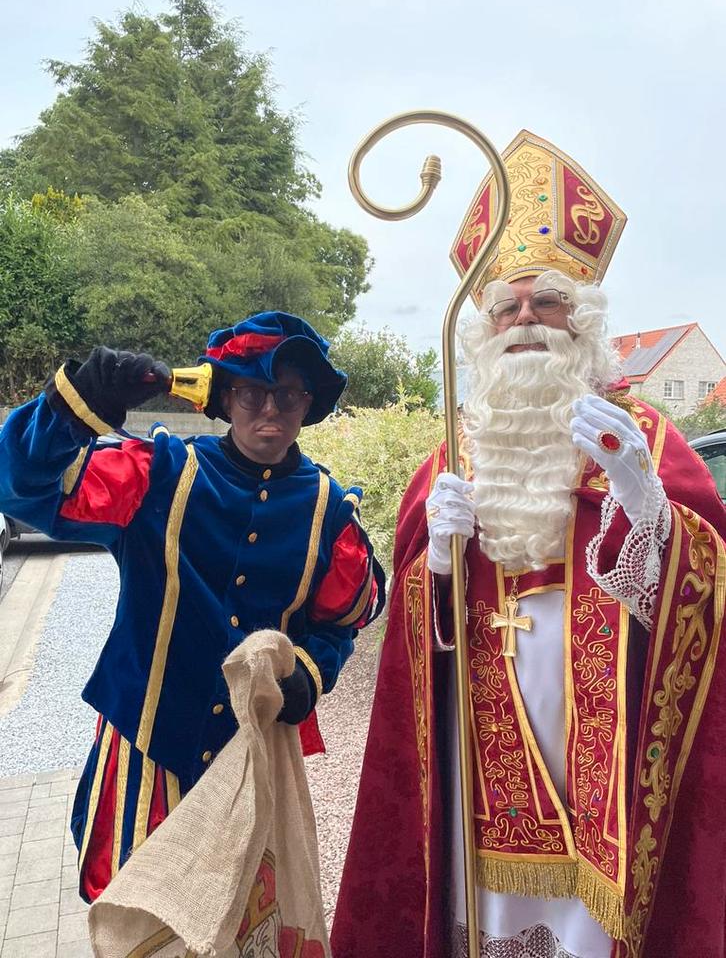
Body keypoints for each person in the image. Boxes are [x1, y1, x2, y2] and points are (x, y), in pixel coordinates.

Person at [332, 131, 726, 958]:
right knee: (490, 914)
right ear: (482, 332)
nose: (523, 322)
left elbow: (705, 598)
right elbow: (412, 639)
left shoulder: (643, 439)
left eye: (545, 305)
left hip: (605, 751)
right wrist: (433, 564)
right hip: (485, 743)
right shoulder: (450, 451)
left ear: (580, 323)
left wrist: (641, 499)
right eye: (506, 308)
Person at [0, 310, 385, 903]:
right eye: (253, 390)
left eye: (288, 393)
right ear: (226, 397)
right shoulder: (157, 475)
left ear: (308, 404)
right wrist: (75, 407)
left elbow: (339, 621)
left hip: (250, 755)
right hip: (145, 749)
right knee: (135, 914)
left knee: (242, 916)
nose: (271, 409)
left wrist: (311, 672)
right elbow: (23, 486)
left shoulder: (328, 512)